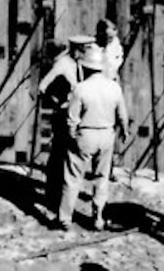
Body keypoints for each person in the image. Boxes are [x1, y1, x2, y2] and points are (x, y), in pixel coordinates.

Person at [55, 43, 128, 230]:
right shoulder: (114, 88)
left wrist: (72, 136)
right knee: (101, 179)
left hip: (85, 134)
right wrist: (124, 132)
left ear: (85, 67)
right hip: (106, 134)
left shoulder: (81, 89)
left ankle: (65, 218)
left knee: (72, 178)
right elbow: (122, 115)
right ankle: (98, 218)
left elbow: (72, 118)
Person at [36, 34, 93, 221]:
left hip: (75, 116)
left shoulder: (80, 65)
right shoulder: (63, 64)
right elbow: (42, 87)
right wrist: (57, 102)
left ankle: (59, 198)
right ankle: (52, 197)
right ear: (77, 49)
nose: (87, 52)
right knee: (59, 157)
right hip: (63, 116)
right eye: (85, 49)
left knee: (67, 159)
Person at [93, 16, 124, 81]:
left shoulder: (115, 43)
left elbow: (117, 61)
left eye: (111, 38)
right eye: (107, 37)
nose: (109, 40)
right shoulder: (94, 47)